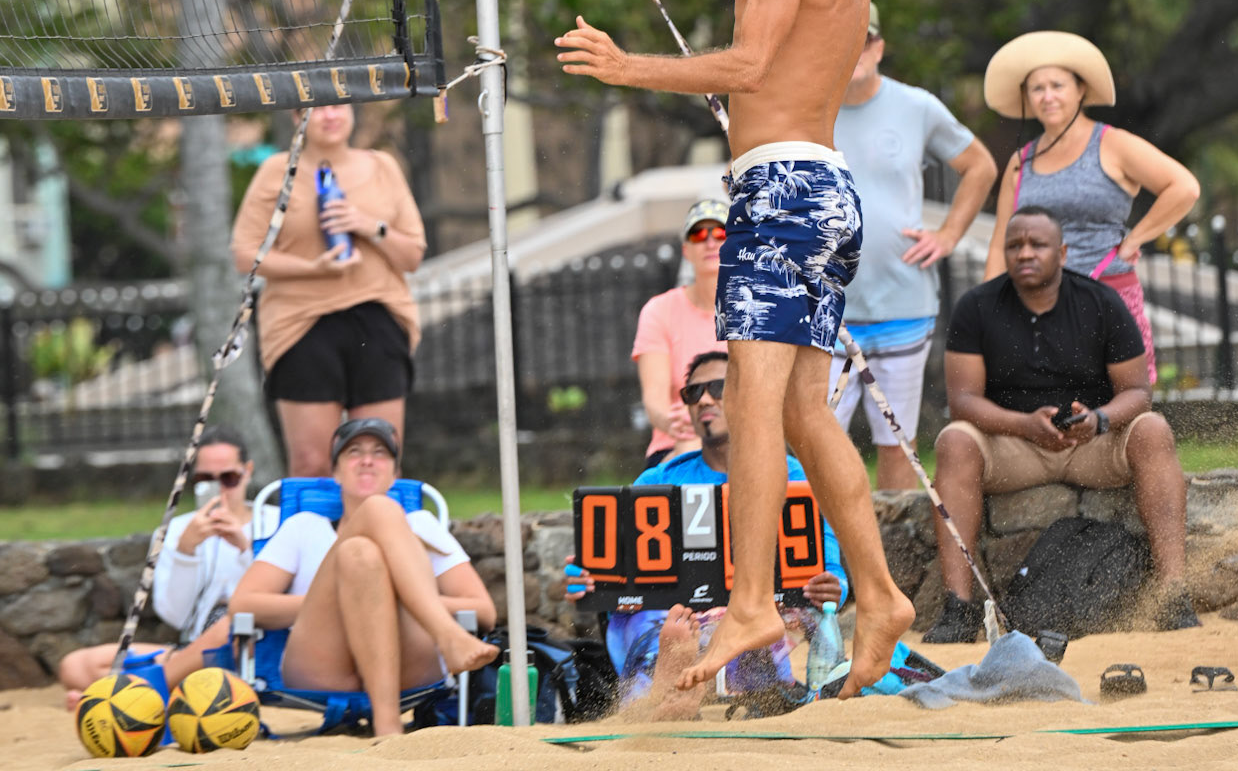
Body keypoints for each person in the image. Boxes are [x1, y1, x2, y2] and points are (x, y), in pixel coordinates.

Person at [557, 0, 919, 696]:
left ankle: (754, 601)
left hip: (783, 189)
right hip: (824, 191)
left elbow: (751, 68)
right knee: (806, 410)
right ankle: (883, 593)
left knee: (756, 407)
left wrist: (631, 67)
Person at [926, 206, 1199, 643]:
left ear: (1063, 252)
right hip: (1012, 444)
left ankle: (1172, 595)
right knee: (954, 440)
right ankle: (959, 608)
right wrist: (1022, 425)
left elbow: (1138, 391)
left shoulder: (1101, 302)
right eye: (1014, 245)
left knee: (1153, 429)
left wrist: (1101, 418)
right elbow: (963, 401)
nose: (1025, 253)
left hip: (1091, 442)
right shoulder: (975, 308)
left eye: (1038, 244)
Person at [567, 347, 846, 711]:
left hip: (762, 608)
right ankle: (670, 689)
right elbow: (617, 573)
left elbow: (829, 567)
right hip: (677, 618)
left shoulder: (793, 476)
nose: (704, 400)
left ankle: (673, 691)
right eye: (693, 393)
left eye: (717, 386)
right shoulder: (657, 480)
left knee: (792, 611)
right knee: (648, 616)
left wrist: (832, 586)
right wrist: (590, 579)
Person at [230, 417, 498, 738]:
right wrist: (342, 600)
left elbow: (484, 611)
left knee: (360, 552)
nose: (367, 460)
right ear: (335, 471)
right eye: (354, 451)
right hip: (322, 665)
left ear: (396, 473)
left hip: (407, 664)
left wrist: (400, 599)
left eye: (380, 453)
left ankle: (387, 722)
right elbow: (242, 605)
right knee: (370, 524)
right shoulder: (303, 527)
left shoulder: (422, 524)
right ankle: (445, 635)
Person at [830, 5, 997, 486]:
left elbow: (980, 167)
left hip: (903, 305)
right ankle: (829, 558)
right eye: (841, 40)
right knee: (820, 441)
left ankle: (890, 558)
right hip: (827, 311)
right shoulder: (808, 107)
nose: (854, 51)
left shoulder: (917, 107)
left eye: (863, 41)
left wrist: (947, 236)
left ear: (878, 47)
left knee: (897, 444)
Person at [982, 31, 1200, 385]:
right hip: (1039, 308)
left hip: (1107, 298)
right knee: (1049, 418)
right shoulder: (1020, 163)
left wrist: (1134, 240)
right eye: (1037, 88)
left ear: (1081, 90)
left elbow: (1185, 188)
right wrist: (989, 310)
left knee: (1120, 411)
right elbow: (999, 243)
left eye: (1058, 85)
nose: (1047, 96)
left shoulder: (1113, 144)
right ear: (1026, 97)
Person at [230, 101, 426, 475]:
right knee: (312, 462)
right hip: (301, 323)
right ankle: (314, 534)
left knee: (378, 460)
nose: (330, 115)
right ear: (296, 116)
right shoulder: (277, 170)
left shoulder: (382, 166)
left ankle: (375, 534)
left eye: (338, 105)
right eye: (317, 108)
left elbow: (413, 255)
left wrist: (368, 225)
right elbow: (245, 255)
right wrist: (312, 268)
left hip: (378, 317)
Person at [58, 427, 255, 704]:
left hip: (254, 646)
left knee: (230, 626)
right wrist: (186, 551)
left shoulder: (274, 520)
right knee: (75, 665)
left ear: (248, 471)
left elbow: (282, 597)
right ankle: (169, 689)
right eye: (205, 479)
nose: (219, 488)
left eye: (229, 478)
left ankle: (128, 699)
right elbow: (175, 616)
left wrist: (246, 546)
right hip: (193, 651)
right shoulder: (177, 529)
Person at [633, 199, 727, 457]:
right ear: (686, 250)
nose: (710, 242)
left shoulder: (753, 309)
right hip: (677, 443)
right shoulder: (659, 311)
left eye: (721, 233)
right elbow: (655, 402)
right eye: (699, 235)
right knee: (690, 449)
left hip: (740, 440)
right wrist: (676, 424)